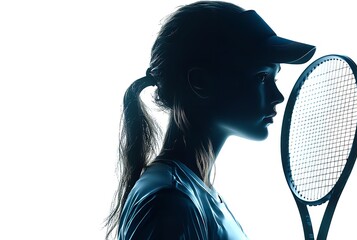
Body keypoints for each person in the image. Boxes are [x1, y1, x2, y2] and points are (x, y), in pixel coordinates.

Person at [105, 1, 316, 239]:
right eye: (261, 77)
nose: (278, 97)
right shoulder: (172, 203)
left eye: (274, 79)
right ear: (200, 83)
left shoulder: (189, 192)